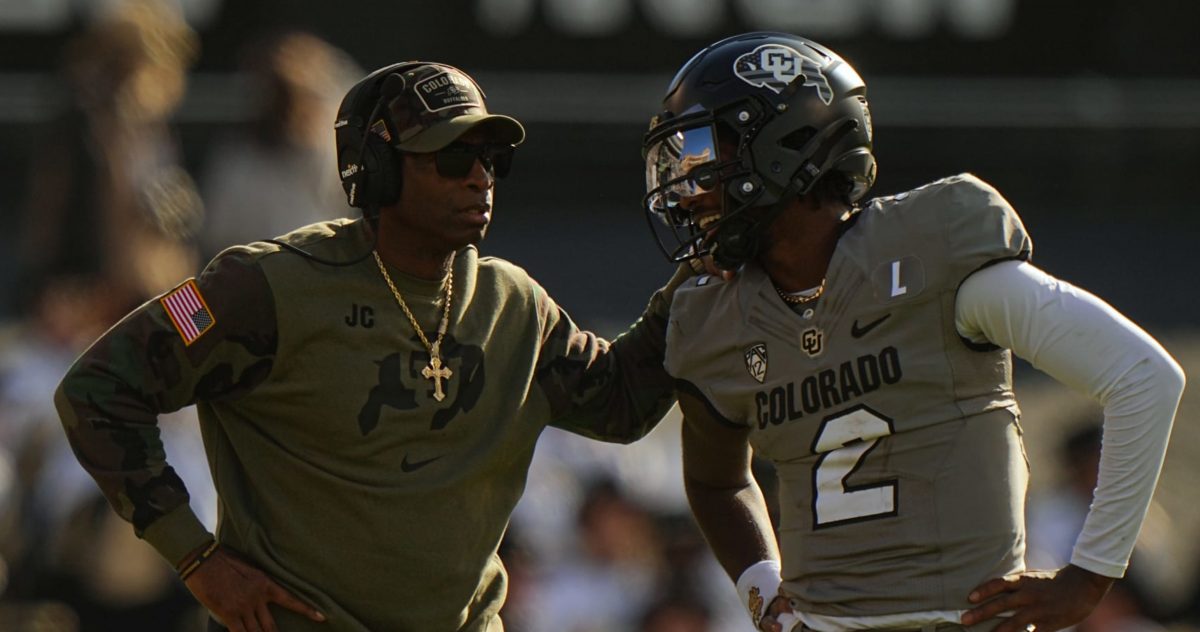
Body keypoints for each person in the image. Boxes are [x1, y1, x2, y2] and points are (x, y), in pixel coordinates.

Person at [55, 61, 690, 631]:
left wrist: (697, 277)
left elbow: (622, 404)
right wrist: (194, 555)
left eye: (491, 157)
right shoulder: (267, 286)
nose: (480, 177)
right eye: (451, 157)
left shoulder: (514, 303)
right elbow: (99, 389)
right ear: (379, 169)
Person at [641, 32, 1186, 632]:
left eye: (701, 156)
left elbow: (1143, 377)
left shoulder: (931, 256)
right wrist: (761, 589)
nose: (687, 190)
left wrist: (1089, 577)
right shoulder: (714, 314)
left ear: (778, 146)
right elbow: (715, 480)